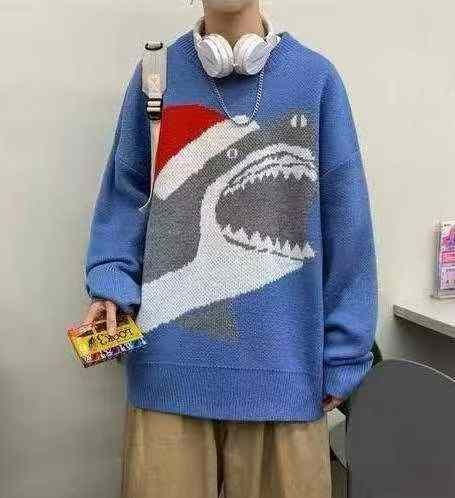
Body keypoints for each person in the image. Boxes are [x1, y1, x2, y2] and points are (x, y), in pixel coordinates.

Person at [83, 0, 378, 496]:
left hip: (288, 376)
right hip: (167, 373)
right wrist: (112, 283)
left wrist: (345, 353)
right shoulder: (155, 76)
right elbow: (126, 193)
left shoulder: (317, 80)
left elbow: (348, 227)